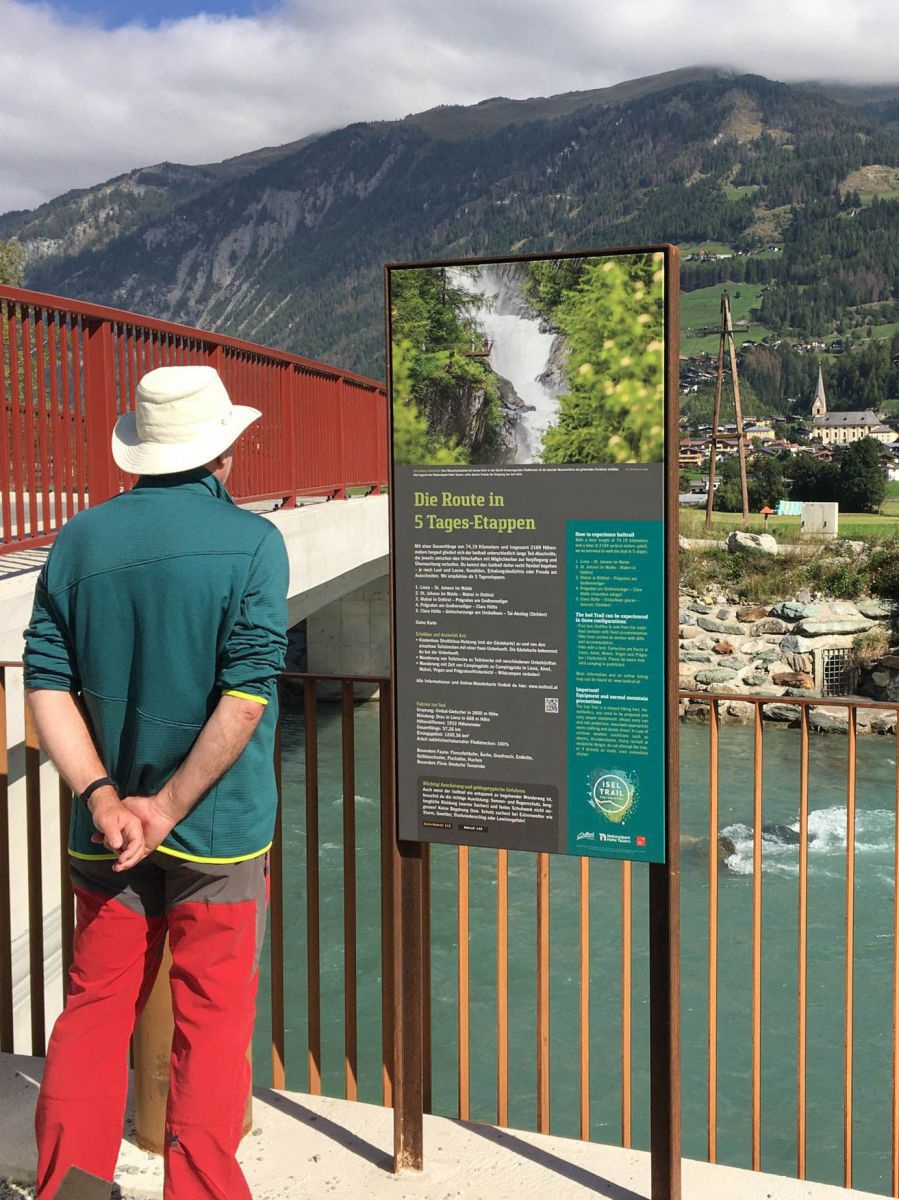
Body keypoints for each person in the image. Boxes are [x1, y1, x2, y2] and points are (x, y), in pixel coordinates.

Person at [23, 364, 289, 1199]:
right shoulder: (254, 544)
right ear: (224, 454)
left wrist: (105, 798)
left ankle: (70, 1185)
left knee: (94, 1013)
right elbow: (245, 698)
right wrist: (168, 806)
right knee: (211, 1026)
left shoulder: (80, 540)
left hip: (107, 837)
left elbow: (44, 681)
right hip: (220, 835)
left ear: (136, 452)